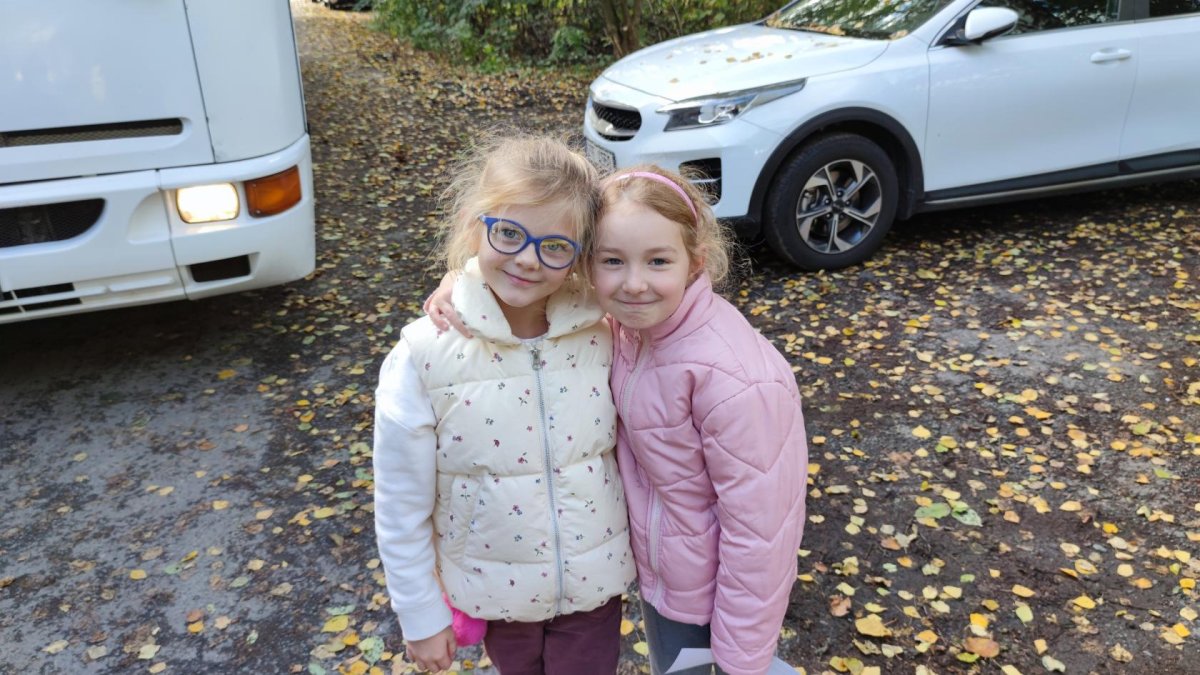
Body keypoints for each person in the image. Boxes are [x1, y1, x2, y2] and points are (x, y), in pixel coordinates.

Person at [429, 164, 808, 675]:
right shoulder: (619, 327)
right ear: (587, 265)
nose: (634, 283)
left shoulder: (737, 379)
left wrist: (742, 661)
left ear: (695, 262)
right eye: (612, 260)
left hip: (710, 601)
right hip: (661, 578)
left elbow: (763, 536)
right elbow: (525, 282)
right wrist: (461, 285)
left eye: (658, 261)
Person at [373, 135, 635, 675]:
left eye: (555, 246)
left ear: (581, 254)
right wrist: (420, 615)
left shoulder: (606, 334)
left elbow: (669, 269)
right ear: (474, 225)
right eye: (509, 233)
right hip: (496, 595)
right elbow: (400, 505)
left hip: (594, 591)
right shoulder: (423, 356)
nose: (528, 260)